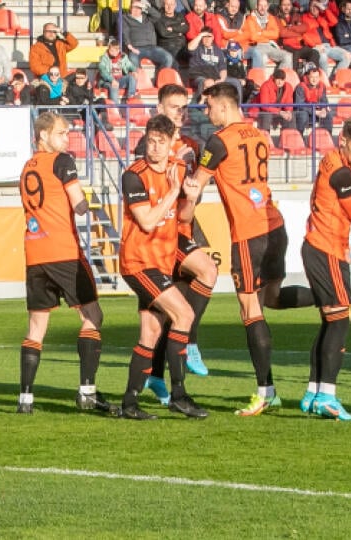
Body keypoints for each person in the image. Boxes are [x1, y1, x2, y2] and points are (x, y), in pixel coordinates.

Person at [194, 82, 314, 416]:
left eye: (209, 107)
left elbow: (196, 186)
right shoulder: (258, 134)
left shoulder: (219, 141)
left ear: (224, 106)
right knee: (271, 299)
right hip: (274, 225)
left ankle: (266, 391)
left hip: (248, 234)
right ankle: (328, 295)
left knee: (250, 309)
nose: (207, 113)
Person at [16, 111, 113, 416]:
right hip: (63, 252)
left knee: (36, 327)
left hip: (34, 253)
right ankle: (87, 392)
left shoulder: (26, 167)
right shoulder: (62, 161)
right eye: (60, 133)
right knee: (92, 316)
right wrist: (88, 203)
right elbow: (78, 204)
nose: (66, 139)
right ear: (43, 135)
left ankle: (25, 399)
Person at [117, 115, 208, 420]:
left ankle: (129, 403)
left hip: (162, 260)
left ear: (171, 144)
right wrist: (172, 191)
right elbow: (146, 221)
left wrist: (191, 199)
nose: (153, 147)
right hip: (138, 262)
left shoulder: (179, 169)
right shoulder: (134, 174)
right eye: (150, 140)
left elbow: (182, 218)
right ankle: (179, 395)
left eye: (160, 142)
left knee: (151, 331)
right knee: (184, 314)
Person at [133, 83, 218, 402]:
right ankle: (191, 342)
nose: (181, 112)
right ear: (159, 109)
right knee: (207, 271)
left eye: (184, 107)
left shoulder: (192, 146)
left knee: (164, 314)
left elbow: (191, 195)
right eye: (173, 106)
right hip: (160, 236)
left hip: (183, 224)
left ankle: (155, 377)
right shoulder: (153, 146)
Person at [300, 115, 351, 420]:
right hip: (326, 249)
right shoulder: (342, 171)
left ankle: (313, 391)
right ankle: (327, 396)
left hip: (323, 247)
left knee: (330, 321)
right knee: (340, 321)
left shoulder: (335, 163)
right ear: (343, 139)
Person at [120, 0, 174, 70]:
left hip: (152, 48)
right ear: (130, 8)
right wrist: (130, 46)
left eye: (138, 7)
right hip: (136, 49)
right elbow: (125, 32)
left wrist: (145, 6)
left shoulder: (148, 18)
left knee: (168, 58)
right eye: (134, 7)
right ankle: (140, 79)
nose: (136, 10)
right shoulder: (125, 18)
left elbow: (158, 16)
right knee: (133, 60)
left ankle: (161, 78)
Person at [241, 0, 294, 69]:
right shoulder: (250, 19)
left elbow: (276, 34)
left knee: (288, 56)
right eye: (260, 5)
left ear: (268, 7)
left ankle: (278, 78)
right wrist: (268, 36)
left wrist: (261, 33)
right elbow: (253, 37)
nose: (263, 8)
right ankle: (260, 79)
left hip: (270, 45)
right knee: (261, 58)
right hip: (257, 46)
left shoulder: (271, 18)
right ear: (256, 6)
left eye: (265, 6)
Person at [294, 62, 333, 132]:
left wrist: (324, 109)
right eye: (312, 77)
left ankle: (327, 139)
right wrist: (314, 111)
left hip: (317, 111)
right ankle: (299, 139)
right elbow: (300, 105)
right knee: (302, 115)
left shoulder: (322, 86)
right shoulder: (300, 87)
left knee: (328, 115)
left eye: (316, 77)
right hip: (305, 111)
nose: (314, 80)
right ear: (308, 77)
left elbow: (324, 100)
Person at [98, 37, 137, 104]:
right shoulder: (103, 58)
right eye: (111, 50)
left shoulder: (123, 57)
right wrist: (112, 80)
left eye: (115, 50)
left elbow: (130, 65)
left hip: (120, 79)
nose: (113, 52)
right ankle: (115, 108)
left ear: (118, 50)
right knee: (114, 86)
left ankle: (131, 97)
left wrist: (134, 70)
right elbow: (103, 72)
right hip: (107, 81)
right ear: (108, 49)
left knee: (131, 77)